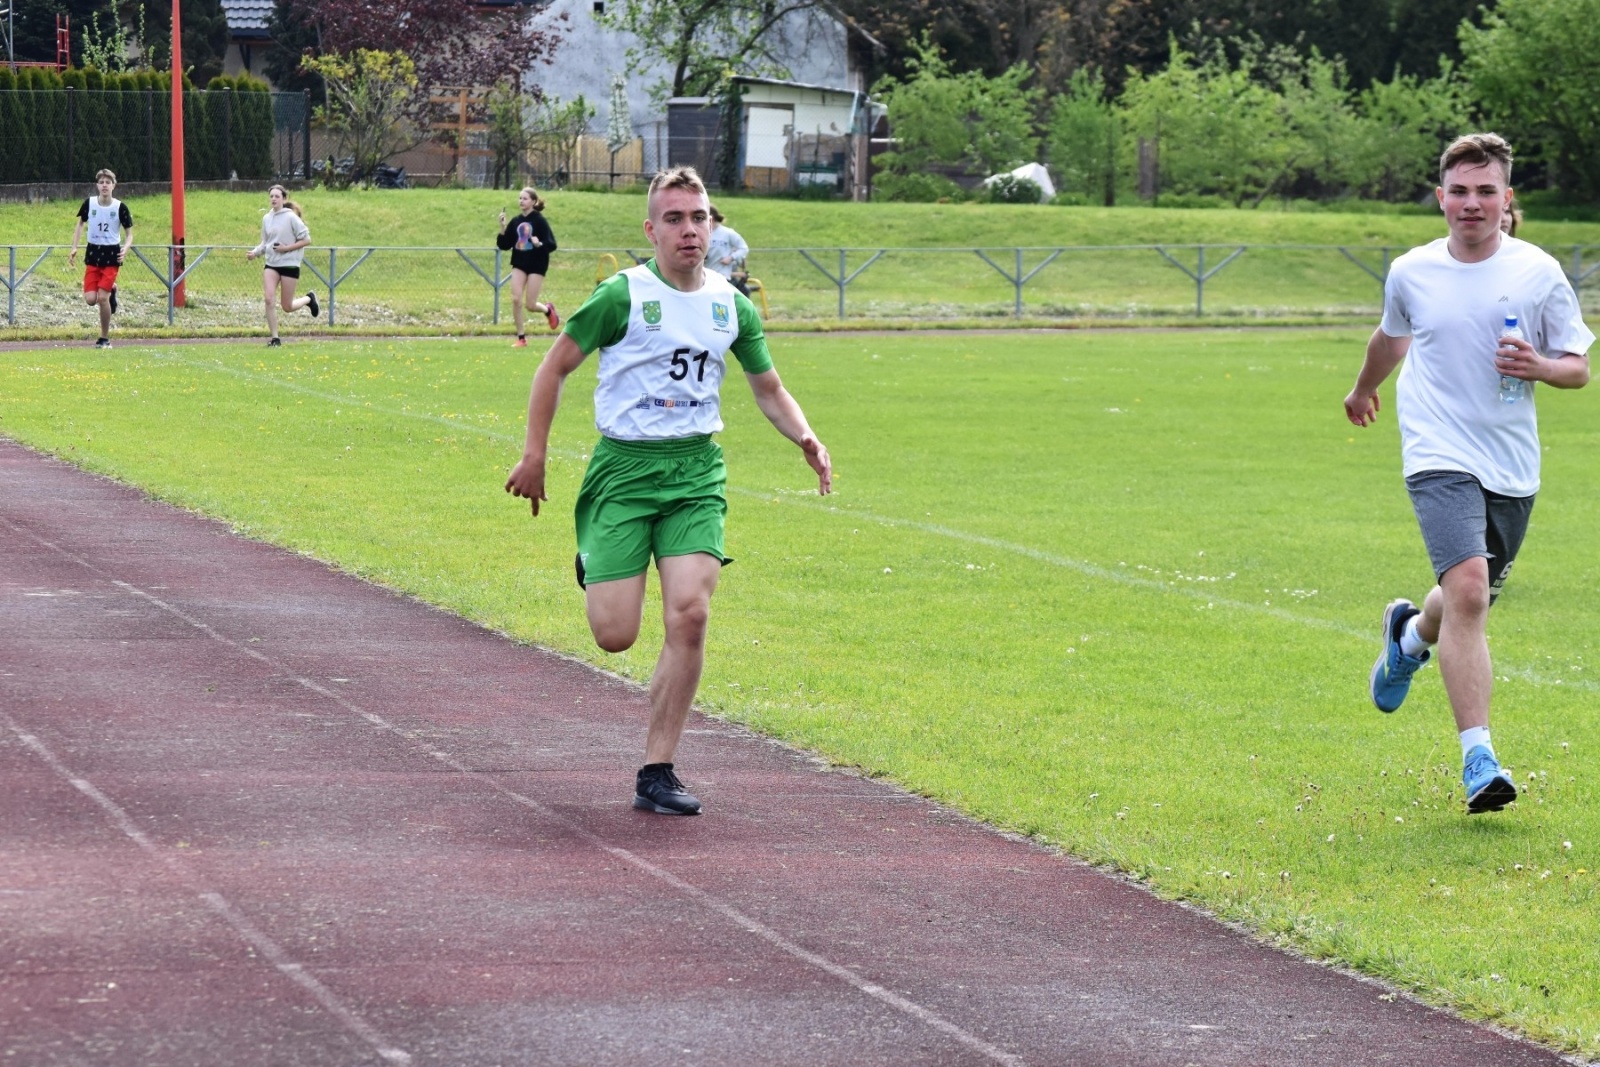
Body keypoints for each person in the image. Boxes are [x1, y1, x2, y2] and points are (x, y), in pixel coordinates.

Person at [504, 166, 832, 816]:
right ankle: (597, 557)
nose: (689, 230)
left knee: (690, 612)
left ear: (714, 225)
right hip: (624, 473)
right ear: (651, 229)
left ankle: (657, 769)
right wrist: (535, 453)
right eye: (675, 219)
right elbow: (555, 365)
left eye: (699, 217)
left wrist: (806, 438)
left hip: (694, 475)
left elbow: (767, 387)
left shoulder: (730, 304)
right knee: (615, 635)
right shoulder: (621, 295)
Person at [1345, 133, 1592, 814]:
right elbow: (1390, 337)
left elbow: (1578, 365)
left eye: (1487, 191)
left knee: (1460, 602)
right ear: (1441, 197)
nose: (1472, 204)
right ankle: (1478, 759)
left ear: (1507, 200)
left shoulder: (1538, 272)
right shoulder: (1412, 271)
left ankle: (1408, 636)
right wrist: (1364, 388)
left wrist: (1540, 367)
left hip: (1511, 463)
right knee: (1471, 588)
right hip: (1436, 451)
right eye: (1460, 191)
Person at [67, 169, 134, 349]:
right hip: (93, 254)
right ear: (97, 186)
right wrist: (74, 247)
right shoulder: (89, 204)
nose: (104, 185)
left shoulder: (120, 208)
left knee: (102, 299)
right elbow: (80, 223)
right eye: (101, 182)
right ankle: (112, 288)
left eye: (108, 182)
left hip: (112, 256)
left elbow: (129, 235)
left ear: (114, 185)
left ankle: (104, 338)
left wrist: (125, 248)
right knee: (91, 299)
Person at [245, 185, 320, 346]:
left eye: (277, 196)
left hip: (290, 264)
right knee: (268, 299)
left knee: (287, 306)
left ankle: (308, 299)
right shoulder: (267, 218)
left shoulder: (291, 217)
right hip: (271, 264)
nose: (273, 199)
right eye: (271, 196)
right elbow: (265, 243)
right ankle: (275, 338)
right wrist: (255, 253)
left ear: (284, 199)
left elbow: (306, 240)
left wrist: (286, 248)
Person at [496, 187, 560, 347]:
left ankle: (548, 310)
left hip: (537, 264)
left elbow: (552, 244)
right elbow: (504, 245)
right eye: (520, 198)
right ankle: (521, 338)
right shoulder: (516, 221)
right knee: (516, 299)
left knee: (530, 305)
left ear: (533, 201)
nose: (521, 201)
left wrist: (540, 243)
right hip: (519, 262)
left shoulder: (539, 221)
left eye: (525, 198)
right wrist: (503, 227)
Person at [706, 204, 751, 296]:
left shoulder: (727, 233)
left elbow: (743, 248)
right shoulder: (701, 233)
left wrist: (731, 258)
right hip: (704, 277)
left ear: (711, 218)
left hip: (723, 277)